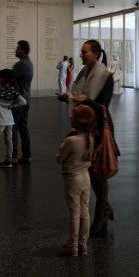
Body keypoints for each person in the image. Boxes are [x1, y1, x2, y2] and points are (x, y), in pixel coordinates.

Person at [59, 40, 115, 235]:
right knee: (90, 172)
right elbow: (76, 93)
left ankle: (100, 218)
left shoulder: (105, 76)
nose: (81, 55)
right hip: (85, 127)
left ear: (96, 54)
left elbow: (103, 107)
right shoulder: (83, 73)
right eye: (81, 52)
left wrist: (86, 100)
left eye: (84, 52)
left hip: (99, 128)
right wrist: (69, 97)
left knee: (99, 174)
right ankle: (105, 209)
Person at [56, 105, 96, 257]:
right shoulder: (90, 139)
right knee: (85, 211)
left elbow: (59, 159)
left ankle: (72, 245)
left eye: (72, 116)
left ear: (77, 121)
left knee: (74, 212)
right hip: (86, 178)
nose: (70, 118)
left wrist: (62, 144)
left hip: (72, 179)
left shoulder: (71, 140)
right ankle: (83, 244)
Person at [11, 40, 34, 163]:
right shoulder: (29, 63)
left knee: (13, 127)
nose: (16, 50)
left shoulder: (20, 65)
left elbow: (10, 78)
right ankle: (26, 155)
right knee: (23, 127)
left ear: (24, 51)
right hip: (27, 99)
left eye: (18, 48)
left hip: (19, 100)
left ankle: (13, 156)